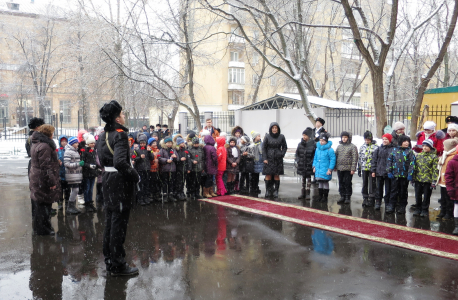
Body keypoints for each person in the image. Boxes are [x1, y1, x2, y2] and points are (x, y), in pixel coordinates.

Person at [97, 100, 139, 276]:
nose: (123, 116)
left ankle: (110, 261)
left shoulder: (102, 135)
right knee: (118, 225)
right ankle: (118, 264)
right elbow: (120, 162)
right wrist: (135, 176)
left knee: (110, 222)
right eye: (121, 114)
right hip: (119, 183)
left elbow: (101, 160)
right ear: (117, 117)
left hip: (108, 180)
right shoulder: (119, 135)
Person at [29, 124, 60, 235]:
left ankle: (41, 228)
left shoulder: (37, 144)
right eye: (52, 132)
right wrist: (51, 182)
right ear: (48, 133)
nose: (53, 134)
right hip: (42, 180)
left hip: (37, 178)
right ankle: (43, 230)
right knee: (44, 206)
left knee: (40, 205)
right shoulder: (45, 146)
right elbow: (46, 166)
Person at [386, 135, 415, 214]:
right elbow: (389, 161)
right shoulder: (394, 150)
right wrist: (389, 171)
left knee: (403, 191)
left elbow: (412, 163)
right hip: (395, 175)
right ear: (400, 142)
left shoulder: (409, 152)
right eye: (404, 141)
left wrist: (410, 174)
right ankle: (391, 205)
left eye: (408, 141)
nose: (406, 143)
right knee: (393, 191)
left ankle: (402, 206)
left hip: (404, 176)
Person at [26, 117, 45, 234]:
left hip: (33, 166)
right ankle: (38, 220)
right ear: (38, 127)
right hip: (36, 166)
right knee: (38, 192)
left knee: (35, 192)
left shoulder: (33, 138)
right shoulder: (34, 138)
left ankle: (37, 218)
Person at [412, 139, 438, 217]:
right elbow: (415, 167)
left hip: (428, 180)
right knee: (418, 195)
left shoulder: (434, 157)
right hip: (418, 179)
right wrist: (413, 178)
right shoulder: (419, 155)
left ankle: (424, 210)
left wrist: (434, 181)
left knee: (426, 196)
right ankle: (418, 208)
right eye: (423, 146)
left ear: (430, 147)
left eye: (427, 146)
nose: (425, 148)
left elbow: (435, 169)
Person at [263, 122, 288, 199]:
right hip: (269, 158)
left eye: (276, 128)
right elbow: (263, 148)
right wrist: (265, 158)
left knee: (277, 174)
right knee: (268, 174)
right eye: (273, 128)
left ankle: (276, 191)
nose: (274, 129)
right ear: (271, 129)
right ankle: (267, 190)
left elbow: (284, 147)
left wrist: (282, 154)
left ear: (278, 129)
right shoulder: (267, 136)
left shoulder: (281, 137)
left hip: (278, 158)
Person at [436, 138, 458, 220]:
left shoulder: (451, 157)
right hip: (442, 180)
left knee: (448, 198)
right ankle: (443, 211)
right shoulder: (445, 155)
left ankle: (449, 213)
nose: (443, 147)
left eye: (444, 146)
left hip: (448, 181)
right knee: (443, 198)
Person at [371, 133, 394, 210]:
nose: (384, 141)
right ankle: (378, 202)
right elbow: (374, 160)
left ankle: (387, 203)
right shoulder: (378, 149)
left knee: (388, 189)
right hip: (379, 172)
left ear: (390, 140)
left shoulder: (393, 149)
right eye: (383, 139)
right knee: (379, 188)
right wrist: (373, 170)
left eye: (386, 139)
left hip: (388, 173)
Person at [335, 131, 358, 205]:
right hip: (340, 168)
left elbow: (355, 158)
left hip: (348, 169)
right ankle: (342, 195)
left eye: (345, 137)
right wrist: (335, 166)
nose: (344, 139)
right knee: (341, 182)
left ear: (348, 138)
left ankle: (348, 196)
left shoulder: (352, 147)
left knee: (347, 183)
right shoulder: (339, 146)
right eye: (343, 137)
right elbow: (336, 156)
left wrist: (353, 168)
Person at [312, 132, 336, 202]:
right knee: (320, 182)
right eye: (320, 140)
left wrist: (330, 169)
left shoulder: (330, 150)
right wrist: (314, 167)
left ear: (326, 141)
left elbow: (332, 160)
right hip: (318, 169)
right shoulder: (317, 149)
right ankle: (320, 196)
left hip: (326, 169)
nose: (321, 142)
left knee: (325, 182)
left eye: (323, 140)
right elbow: (315, 159)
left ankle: (325, 197)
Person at [358, 131, 378, 207]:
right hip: (364, 168)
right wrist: (359, 168)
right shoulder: (362, 147)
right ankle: (365, 197)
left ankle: (372, 198)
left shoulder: (375, 147)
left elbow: (376, 159)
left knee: (372, 184)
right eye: (365, 140)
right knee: (365, 183)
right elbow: (360, 158)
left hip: (371, 169)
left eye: (368, 140)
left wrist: (375, 169)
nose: (367, 141)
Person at [295, 127, 316, 200]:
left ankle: (307, 193)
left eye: (305, 135)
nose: (304, 137)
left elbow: (314, 155)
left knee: (308, 179)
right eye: (303, 135)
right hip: (302, 164)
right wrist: (298, 160)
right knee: (303, 179)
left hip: (309, 164)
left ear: (309, 136)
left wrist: (311, 162)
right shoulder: (300, 144)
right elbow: (297, 153)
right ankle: (302, 193)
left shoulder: (313, 145)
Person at [64, 137, 83, 215]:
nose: (78, 144)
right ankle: (70, 207)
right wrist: (78, 164)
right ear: (72, 143)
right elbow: (67, 164)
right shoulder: (68, 152)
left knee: (75, 190)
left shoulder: (75, 151)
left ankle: (72, 207)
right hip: (72, 175)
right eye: (76, 143)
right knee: (75, 190)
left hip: (76, 174)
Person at [132, 133, 153, 205]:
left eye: (144, 143)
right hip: (140, 169)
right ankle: (140, 198)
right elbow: (133, 159)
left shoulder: (148, 149)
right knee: (141, 184)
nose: (142, 144)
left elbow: (152, 158)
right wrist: (140, 157)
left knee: (147, 184)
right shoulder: (136, 150)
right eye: (141, 143)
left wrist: (149, 152)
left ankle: (146, 197)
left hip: (147, 169)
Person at [80, 134, 98, 212]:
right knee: (87, 189)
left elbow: (95, 161)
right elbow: (82, 162)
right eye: (91, 143)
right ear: (88, 143)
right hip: (86, 173)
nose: (93, 144)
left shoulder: (93, 151)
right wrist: (89, 166)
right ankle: (87, 203)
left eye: (94, 143)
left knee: (91, 189)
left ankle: (90, 203)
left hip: (93, 173)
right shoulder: (84, 150)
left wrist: (96, 168)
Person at [158, 136, 178, 202]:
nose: (169, 144)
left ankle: (170, 195)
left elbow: (177, 159)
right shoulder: (162, 150)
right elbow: (159, 158)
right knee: (165, 183)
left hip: (172, 169)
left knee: (171, 182)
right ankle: (165, 196)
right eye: (168, 143)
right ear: (165, 143)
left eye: (170, 143)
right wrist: (166, 160)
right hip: (165, 169)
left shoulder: (173, 150)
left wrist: (175, 157)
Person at [444, 144, 458, 234]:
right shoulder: (453, 162)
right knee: (457, 207)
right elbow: (448, 176)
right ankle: (457, 226)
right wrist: (450, 188)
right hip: (456, 189)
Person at [175, 137, 190, 201]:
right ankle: (178, 193)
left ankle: (181, 193)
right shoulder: (176, 150)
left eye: (183, 142)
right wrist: (180, 160)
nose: (183, 144)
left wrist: (189, 168)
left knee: (183, 182)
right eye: (181, 143)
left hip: (184, 168)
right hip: (179, 168)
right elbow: (175, 159)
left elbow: (188, 160)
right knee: (179, 182)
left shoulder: (185, 150)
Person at [57, 135, 69, 211]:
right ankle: (60, 202)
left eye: (65, 141)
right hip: (60, 173)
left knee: (67, 190)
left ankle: (67, 202)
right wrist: (58, 161)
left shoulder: (68, 150)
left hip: (67, 173)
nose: (64, 143)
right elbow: (55, 158)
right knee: (60, 190)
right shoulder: (57, 151)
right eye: (62, 141)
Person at [147, 137, 161, 202]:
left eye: (155, 143)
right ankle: (151, 195)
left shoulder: (158, 150)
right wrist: (153, 162)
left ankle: (157, 195)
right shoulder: (149, 150)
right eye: (153, 143)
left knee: (157, 183)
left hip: (158, 169)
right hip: (151, 170)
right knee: (152, 183)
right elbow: (149, 159)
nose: (155, 144)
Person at [250, 131, 263, 196]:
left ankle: (256, 187)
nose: (259, 137)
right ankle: (252, 186)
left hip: (259, 162)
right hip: (253, 162)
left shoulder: (261, 144)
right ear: (255, 137)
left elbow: (262, 152)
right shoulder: (252, 144)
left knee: (257, 176)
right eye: (258, 136)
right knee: (253, 175)